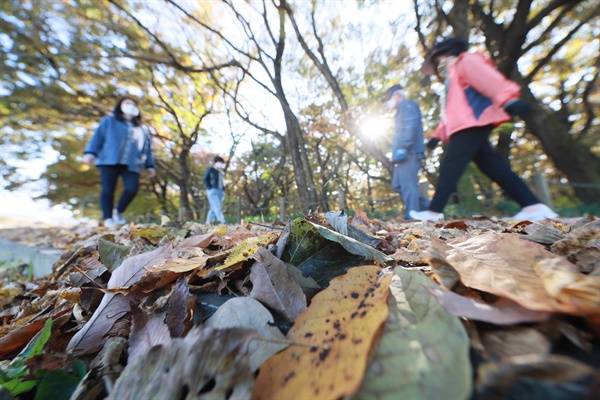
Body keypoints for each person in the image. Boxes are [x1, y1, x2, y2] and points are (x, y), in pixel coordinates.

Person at [410, 37, 557, 222]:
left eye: (442, 61)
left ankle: (433, 213)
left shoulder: (466, 61)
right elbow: (452, 111)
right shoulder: (452, 79)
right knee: (493, 166)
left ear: (450, 54)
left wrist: (509, 100)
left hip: (473, 122)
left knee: (449, 166)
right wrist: (436, 137)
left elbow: (488, 80)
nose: (441, 66)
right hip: (466, 124)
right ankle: (533, 206)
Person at [83, 97, 156, 227]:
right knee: (108, 189)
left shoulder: (142, 129)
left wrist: (150, 165)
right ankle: (108, 218)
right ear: (120, 106)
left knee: (132, 188)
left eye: (134, 104)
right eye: (127, 103)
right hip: (108, 160)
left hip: (133, 163)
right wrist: (91, 152)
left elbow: (148, 149)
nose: (131, 106)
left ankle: (118, 211)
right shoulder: (109, 121)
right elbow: (98, 136)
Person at [383, 84, 430, 219]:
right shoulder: (401, 110)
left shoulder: (407, 105)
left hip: (409, 152)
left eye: (389, 98)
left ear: (397, 95)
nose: (388, 102)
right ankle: (429, 206)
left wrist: (403, 146)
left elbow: (411, 127)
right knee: (397, 185)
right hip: (403, 154)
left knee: (409, 186)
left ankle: (413, 216)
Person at [204, 156, 226, 224]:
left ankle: (208, 222)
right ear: (216, 162)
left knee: (214, 207)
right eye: (220, 162)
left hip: (220, 191)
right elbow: (205, 179)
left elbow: (222, 182)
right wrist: (209, 187)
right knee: (217, 206)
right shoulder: (210, 169)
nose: (221, 164)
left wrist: (223, 189)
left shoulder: (220, 172)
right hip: (212, 190)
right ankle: (222, 221)